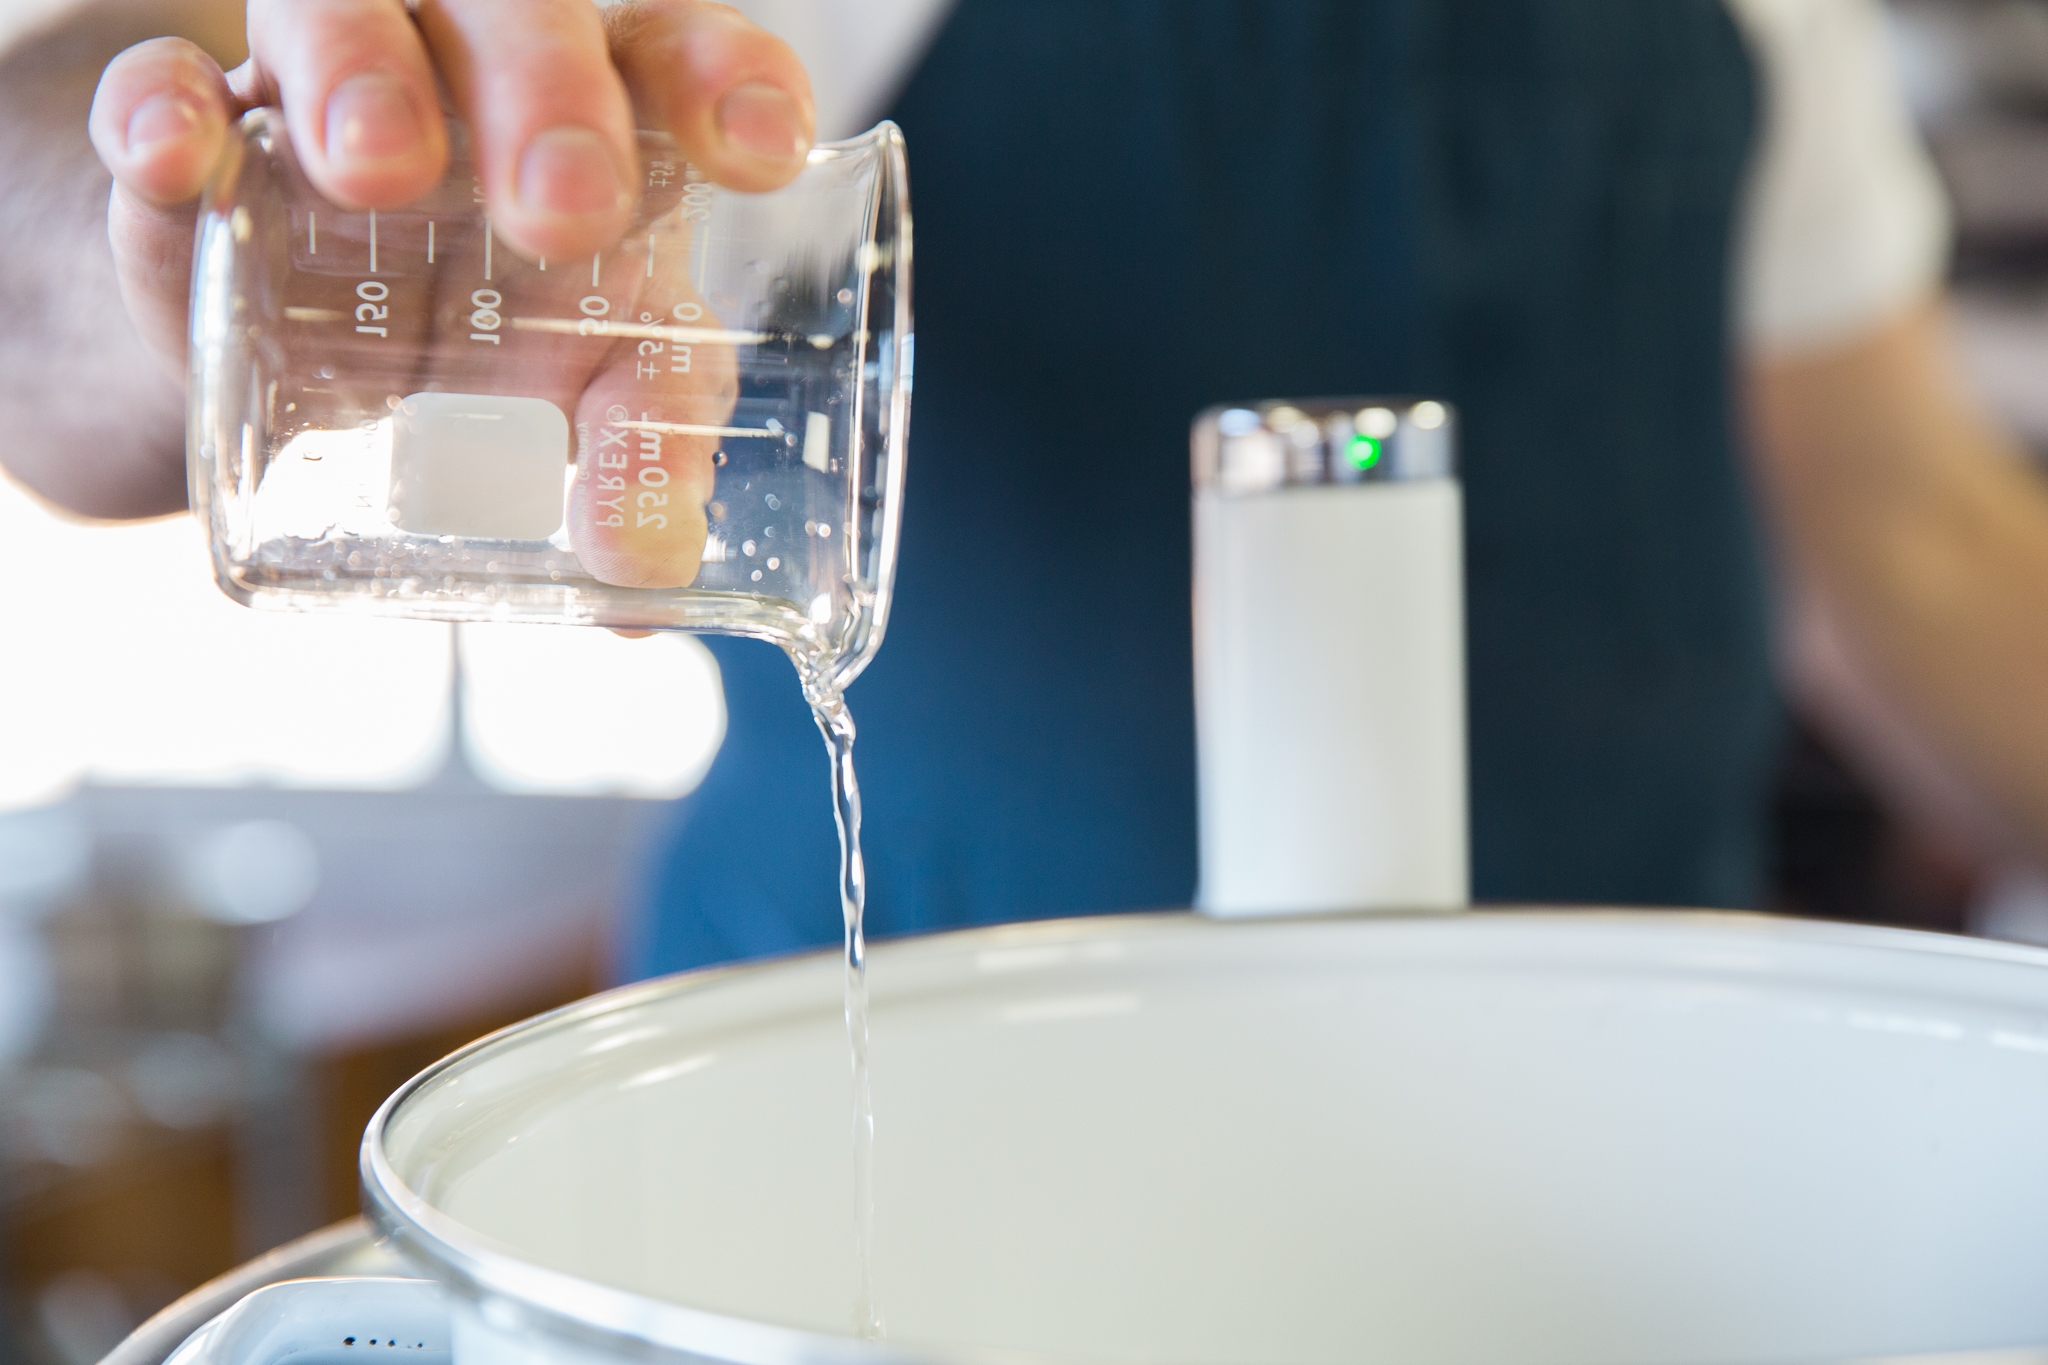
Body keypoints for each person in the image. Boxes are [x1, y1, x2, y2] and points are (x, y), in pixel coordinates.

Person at [6, 0, 2048, 976]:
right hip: (889, 1156)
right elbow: (49, 301)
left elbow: (1911, 535)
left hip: (1632, 1179)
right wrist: (208, 214)